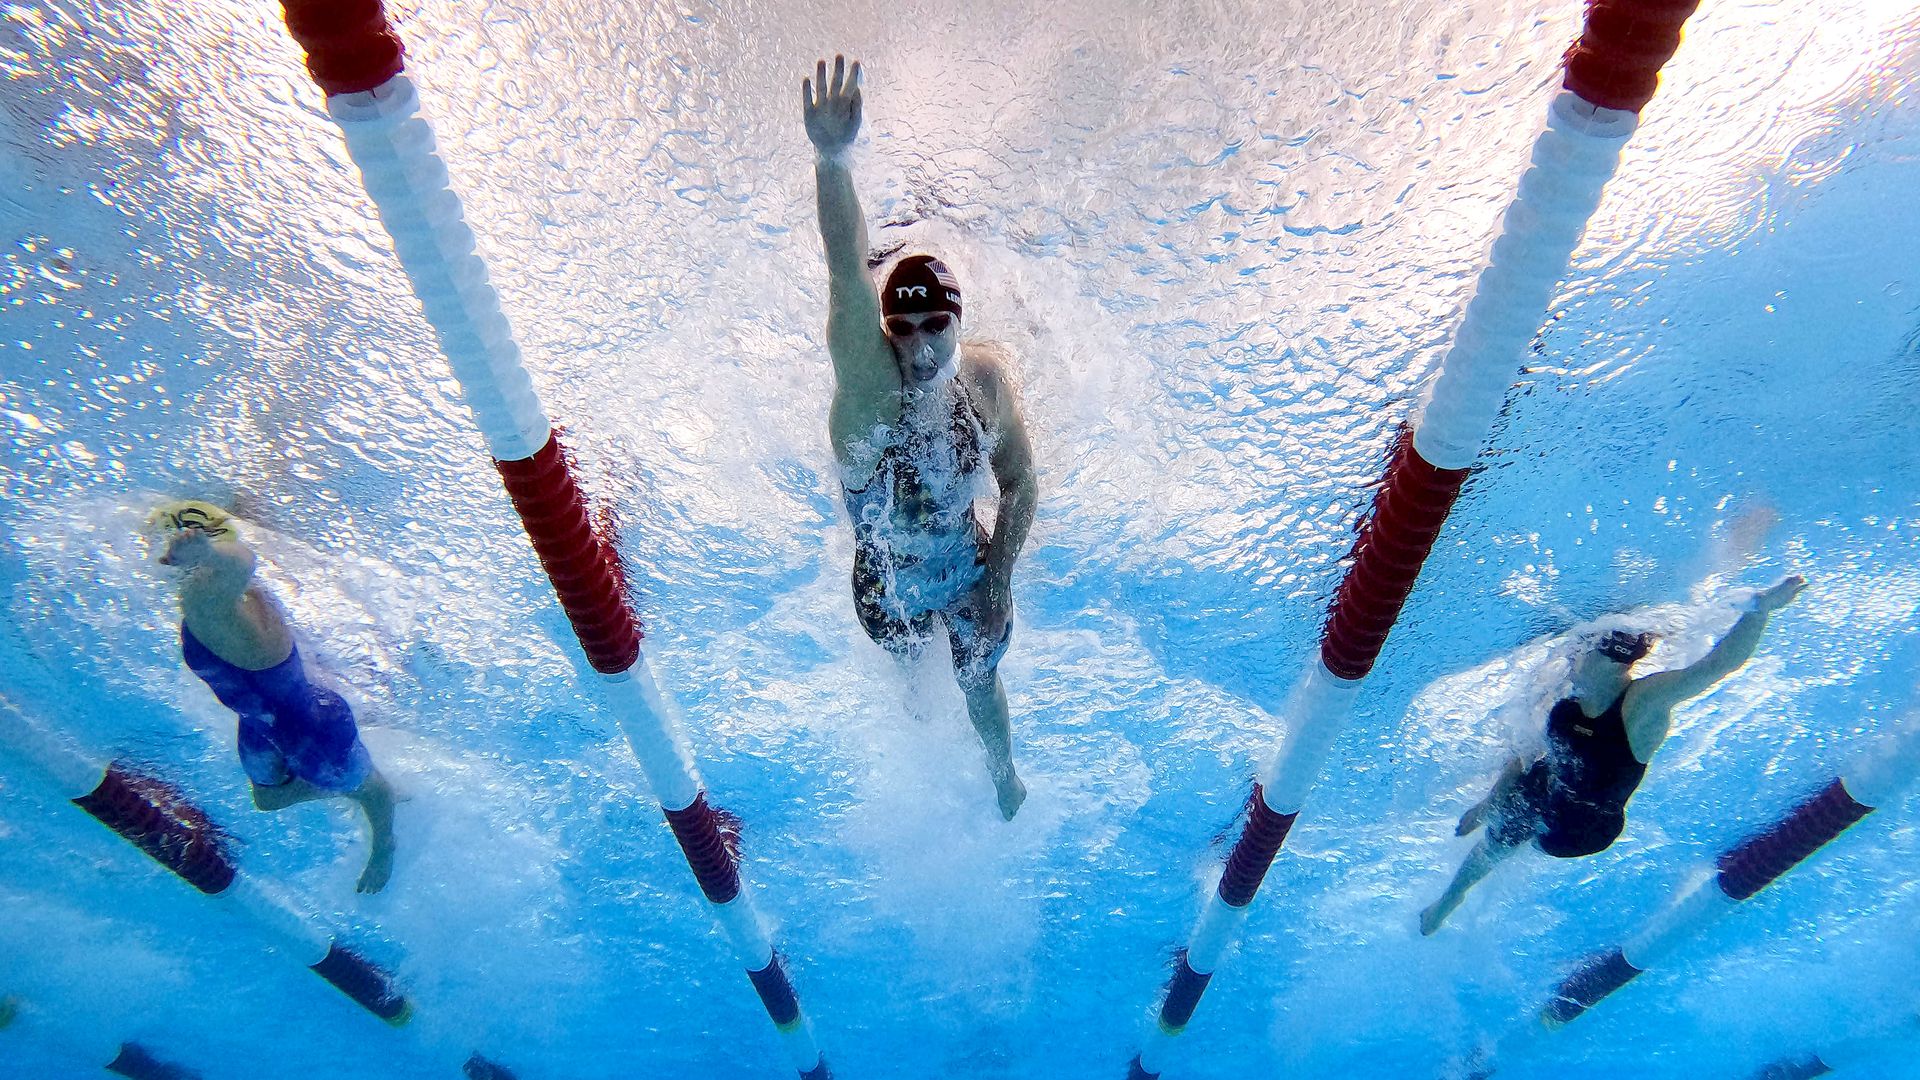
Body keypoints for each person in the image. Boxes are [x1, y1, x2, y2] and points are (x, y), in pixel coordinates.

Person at [803, 55, 1039, 820]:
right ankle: (915, 706)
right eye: (901, 329)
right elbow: (846, 278)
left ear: (960, 321)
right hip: (887, 585)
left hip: (966, 566)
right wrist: (832, 160)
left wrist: (999, 575)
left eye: (936, 324)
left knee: (980, 679)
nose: (921, 346)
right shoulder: (872, 400)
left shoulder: (986, 386)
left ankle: (1002, 772)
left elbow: (1023, 483)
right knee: (913, 685)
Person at [1420, 575, 1807, 935]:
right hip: (1552, 781)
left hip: (1583, 825)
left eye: (1582, 651)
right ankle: (1450, 897)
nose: (1572, 656)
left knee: (1504, 841)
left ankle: (1454, 896)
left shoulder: (1641, 706)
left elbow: (1713, 668)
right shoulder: (1569, 696)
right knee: (1503, 821)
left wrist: (1761, 612)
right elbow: (1524, 754)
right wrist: (1489, 802)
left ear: (1607, 663)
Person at [149, 501, 398, 892]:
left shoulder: (208, 597)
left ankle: (385, 843)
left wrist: (209, 553)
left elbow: (242, 561)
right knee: (267, 802)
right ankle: (345, 786)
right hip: (258, 725)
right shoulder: (216, 598)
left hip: (312, 727)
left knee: (371, 792)